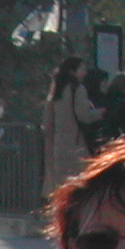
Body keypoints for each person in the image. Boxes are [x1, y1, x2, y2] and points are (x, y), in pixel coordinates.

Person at [44, 58, 100, 196]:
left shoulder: (57, 90)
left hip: (59, 143)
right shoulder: (78, 89)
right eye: (82, 69)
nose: (85, 72)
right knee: (81, 183)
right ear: (72, 71)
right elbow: (83, 116)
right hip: (76, 143)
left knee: (62, 185)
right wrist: (99, 113)